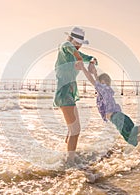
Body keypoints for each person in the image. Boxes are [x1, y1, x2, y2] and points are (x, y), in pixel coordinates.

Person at [78, 62, 140, 147]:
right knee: (133, 133)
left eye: (100, 82)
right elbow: (96, 81)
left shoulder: (103, 90)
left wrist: (84, 68)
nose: (97, 84)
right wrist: (95, 72)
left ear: (103, 82)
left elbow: (92, 80)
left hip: (117, 118)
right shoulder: (106, 90)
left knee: (131, 140)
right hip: (120, 116)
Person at [53, 27, 97, 165]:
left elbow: (92, 58)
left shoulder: (76, 51)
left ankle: (67, 156)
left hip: (71, 93)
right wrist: (78, 58)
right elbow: (68, 48)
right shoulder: (65, 46)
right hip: (64, 93)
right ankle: (70, 162)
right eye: (77, 42)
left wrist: (90, 62)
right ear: (71, 39)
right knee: (75, 130)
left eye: (80, 43)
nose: (79, 45)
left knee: (72, 129)